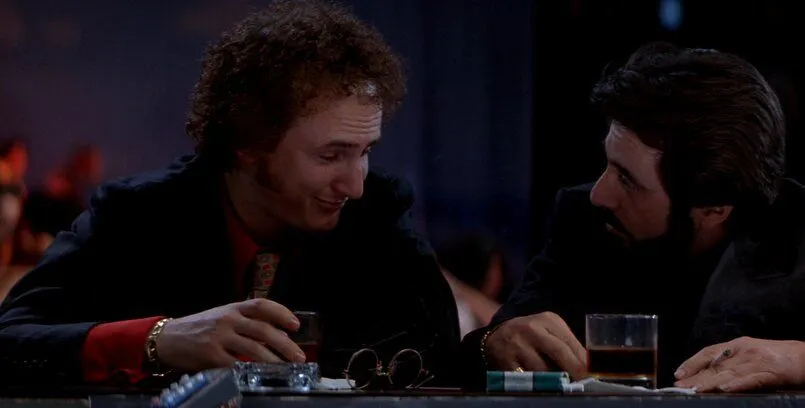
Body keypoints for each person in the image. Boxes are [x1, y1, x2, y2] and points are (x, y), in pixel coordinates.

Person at [0, 0, 460, 388]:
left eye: (365, 152)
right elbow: (10, 343)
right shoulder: (137, 214)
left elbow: (442, 359)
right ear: (249, 142)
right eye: (330, 156)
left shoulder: (376, 214)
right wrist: (159, 341)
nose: (354, 185)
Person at [462, 42, 805, 391]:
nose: (599, 194)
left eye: (627, 179)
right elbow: (480, 353)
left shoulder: (796, 235)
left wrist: (799, 359)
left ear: (714, 208)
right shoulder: (585, 219)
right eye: (608, 164)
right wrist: (492, 344)